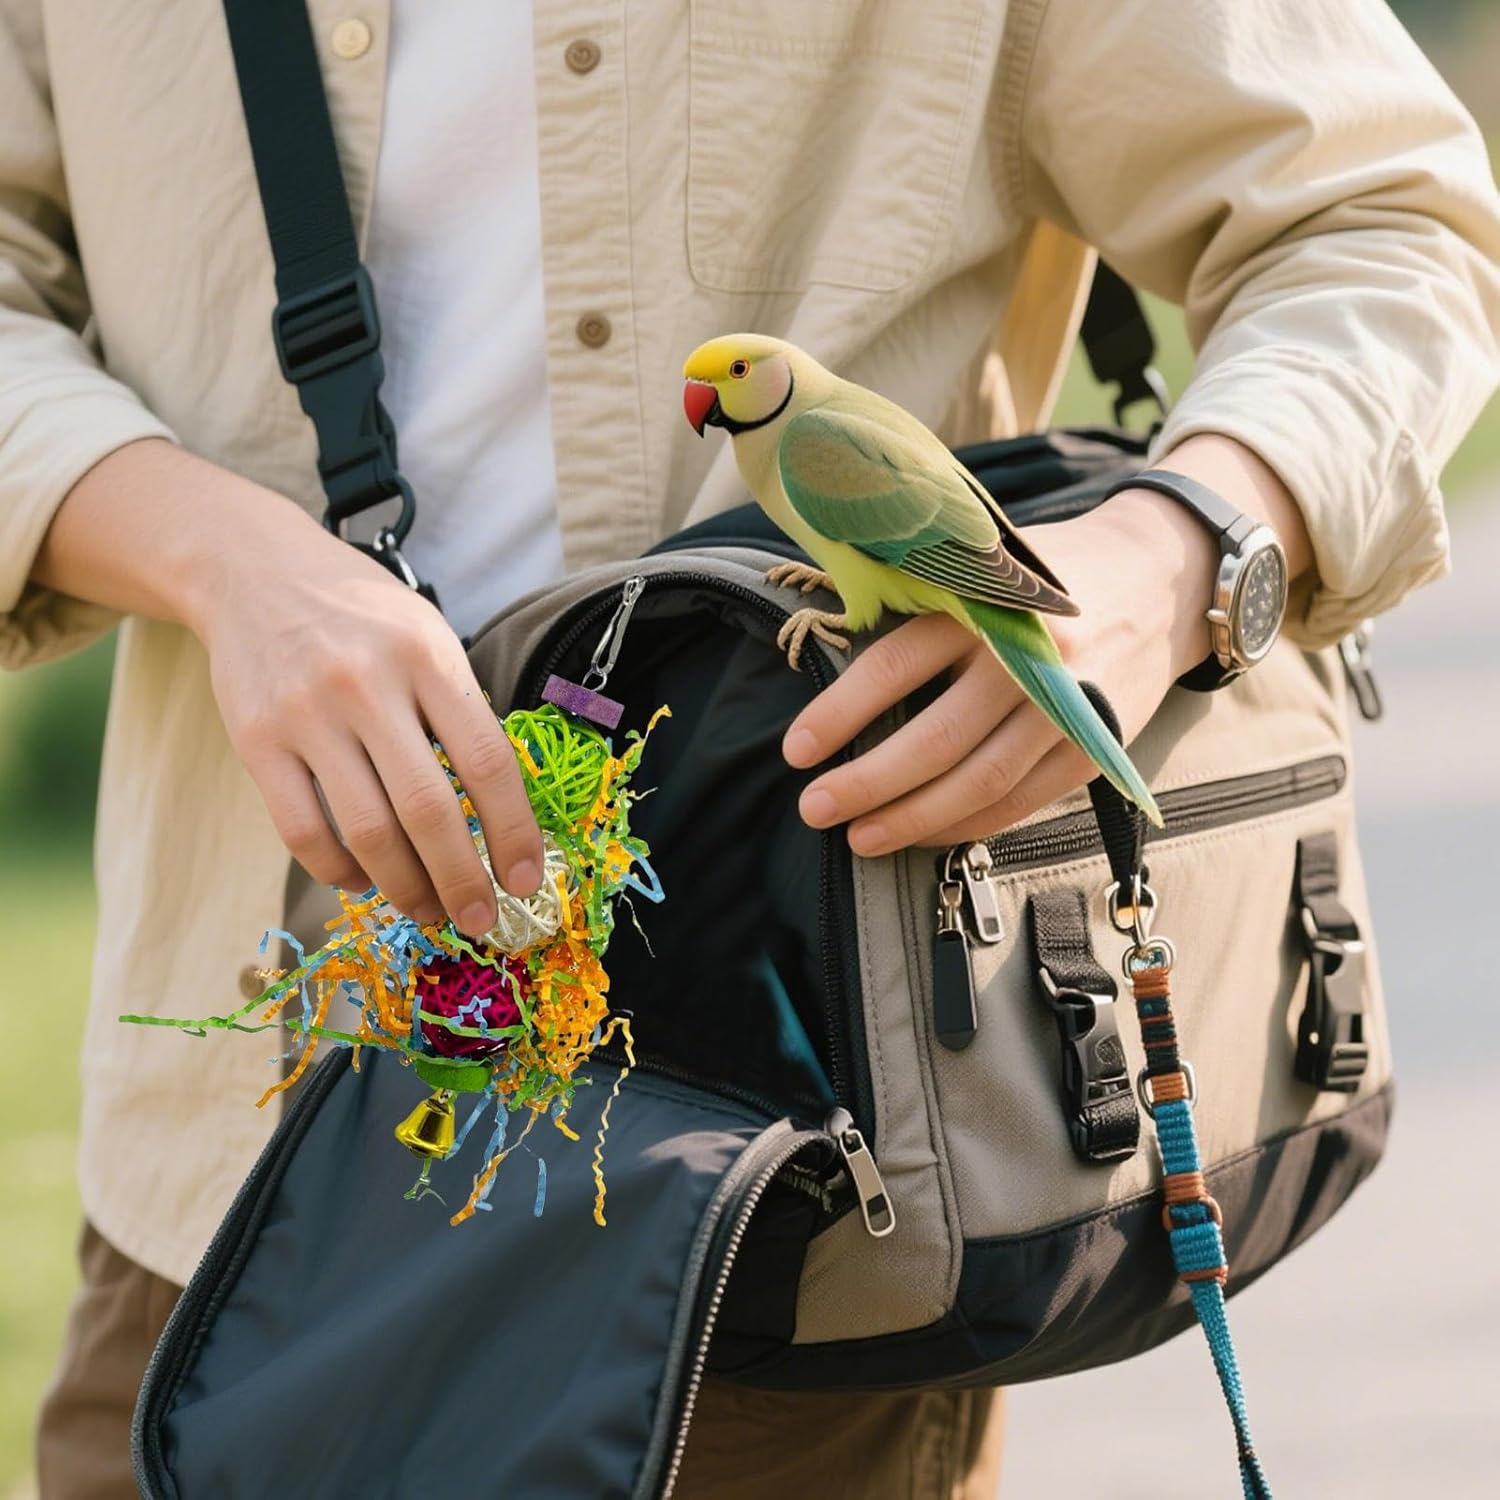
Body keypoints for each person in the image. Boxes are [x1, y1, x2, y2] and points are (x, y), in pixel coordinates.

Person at [3, 1, 1496, 1496]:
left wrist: (1170, 557)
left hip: (788, 1227)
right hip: (228, 1208)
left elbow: (1390, 215)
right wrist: (213, 556)